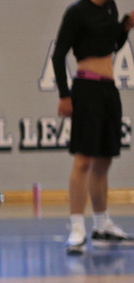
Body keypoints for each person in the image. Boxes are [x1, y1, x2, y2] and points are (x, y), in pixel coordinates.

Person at [52, 0, 134, 254]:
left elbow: (111, 45)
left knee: (104, 160)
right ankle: (77, 227)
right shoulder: (77, 12)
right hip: (86, 88)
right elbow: (58, 55)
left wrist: (125, 28)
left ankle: (102, 224)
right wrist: (65, 95)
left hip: (108, 89)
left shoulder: (110, 7)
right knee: (84, 160)